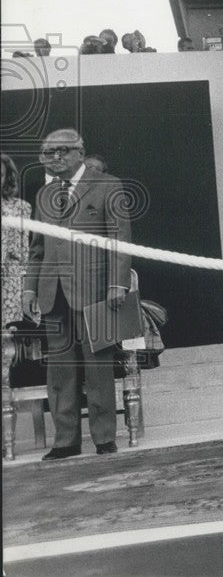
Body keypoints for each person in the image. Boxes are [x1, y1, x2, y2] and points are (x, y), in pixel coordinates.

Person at [22, 129, 132, 459]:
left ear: (80, 152)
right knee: (59, 369)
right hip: (52, 293)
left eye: (62, 151)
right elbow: (37, 249)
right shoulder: (43, 194)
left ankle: (103, 438)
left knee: (98, 366)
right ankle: (65, 441)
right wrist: (29, 288)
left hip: (97, 291)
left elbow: (120, 240)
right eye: (48, 152)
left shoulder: (108, 185)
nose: (55, 157)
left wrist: (117, 284)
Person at [2, 153, 32, 327]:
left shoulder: (21, 207)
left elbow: (25, 251)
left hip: (10, 282)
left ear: (7, 178)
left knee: (8, 342)